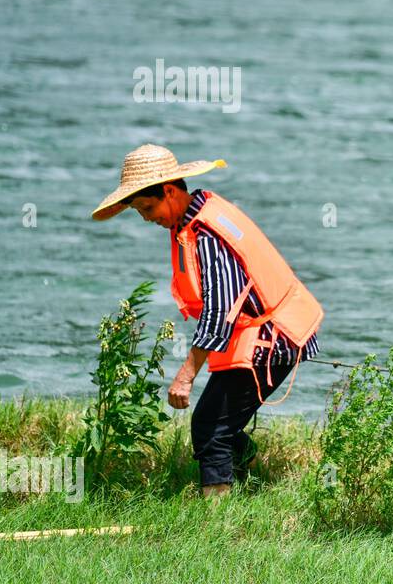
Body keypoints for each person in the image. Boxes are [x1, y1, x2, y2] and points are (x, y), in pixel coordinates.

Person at [92, 144, 323, 497]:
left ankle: (216, 520)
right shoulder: (196, 215)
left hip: (275, 336)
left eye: (148, 207)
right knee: (216, 424)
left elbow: (220, 312)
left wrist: (185, 377)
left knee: (211, 428)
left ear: (169, 191)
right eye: (138, 211)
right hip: (263, 331)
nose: (147, 218)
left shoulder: (208, 233)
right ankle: (248, 482)